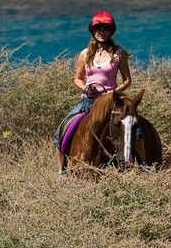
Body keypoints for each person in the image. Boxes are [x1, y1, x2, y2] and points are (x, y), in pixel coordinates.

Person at [54, 11, 132, 175]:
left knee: (133, 127)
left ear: (111, 31)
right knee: (62, 129)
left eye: (105, 29)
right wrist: (85, 88)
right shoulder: (84, 54)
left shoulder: (119, 54)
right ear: (93, 31)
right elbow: (77, 79)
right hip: (88, 102)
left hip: (110, 101)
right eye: (99, 29)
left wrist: (113, 93)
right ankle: (61, 172)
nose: (102, 32)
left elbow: (127, 80)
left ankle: (140, 163)